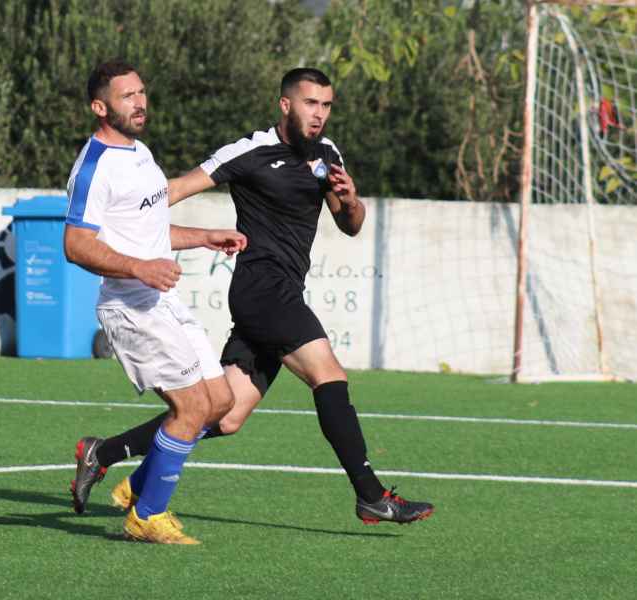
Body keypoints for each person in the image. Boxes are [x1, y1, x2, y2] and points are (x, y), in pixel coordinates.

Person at [70, 67, 434, 526]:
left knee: (224, 414)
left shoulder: (327, 154)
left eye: (326, 105)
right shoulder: (249, 151)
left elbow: (350, 224)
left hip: (284, 292)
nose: (319, 114)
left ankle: (105, 453)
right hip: (261, 292)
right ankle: (371, 495)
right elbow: (172, 191)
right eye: (310, 103)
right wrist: (125, 233)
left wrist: (352, 200)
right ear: (285, 104)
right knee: (328, 375)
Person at [63, 60, 247, 544]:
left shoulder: (140, 153)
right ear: (99, 107)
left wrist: (203, 236)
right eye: (127, 96)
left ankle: (119, 471)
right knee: (191, 407)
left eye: (142, 92)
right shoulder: (94, 168)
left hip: (162, 300)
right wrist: (139, 268)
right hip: (130, 308)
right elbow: (76, 245)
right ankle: (146, 515)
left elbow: (148, 231)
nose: (140, 102)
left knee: (220, 403)